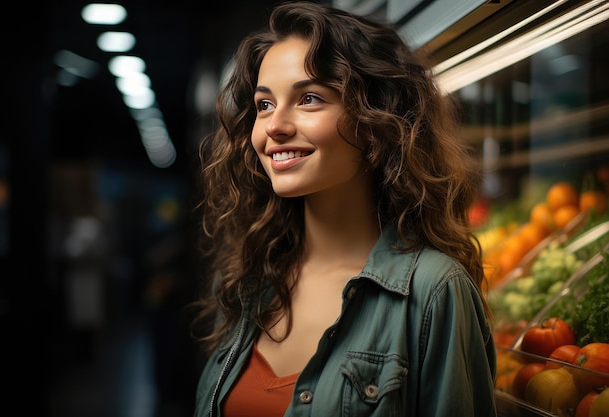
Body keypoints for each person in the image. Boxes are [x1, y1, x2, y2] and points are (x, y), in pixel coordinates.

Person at [188, 1, 497, 416]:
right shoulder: (249, 278)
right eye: (264, 104)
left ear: (376, 121)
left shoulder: (433, 292)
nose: (274, 126)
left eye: (310, 98)